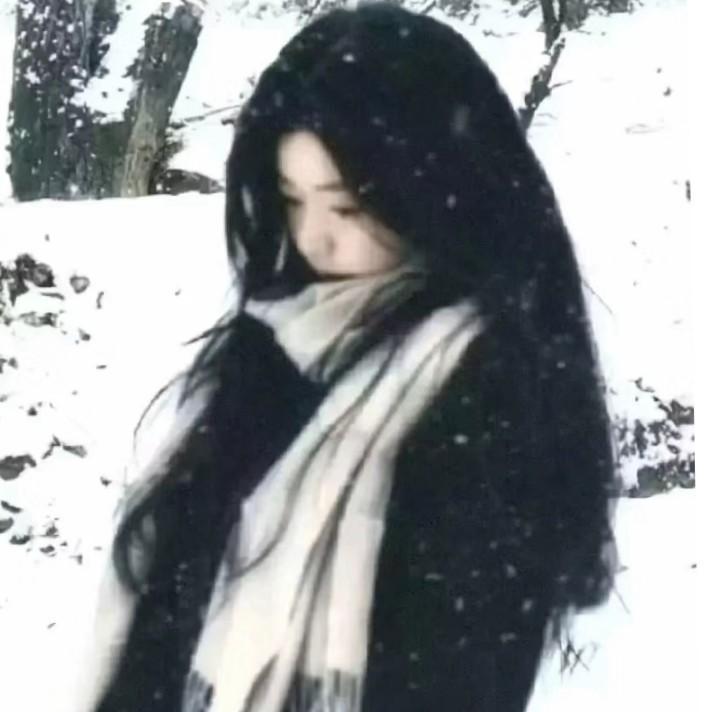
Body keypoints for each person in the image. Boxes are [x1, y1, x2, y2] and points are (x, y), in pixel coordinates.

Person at [77, 2, 619, 711]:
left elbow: (455, 672)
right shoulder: (274, 343)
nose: (314, 241)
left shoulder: (486, 390)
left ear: (431, 191)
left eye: (346, 208)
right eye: (292, 200)